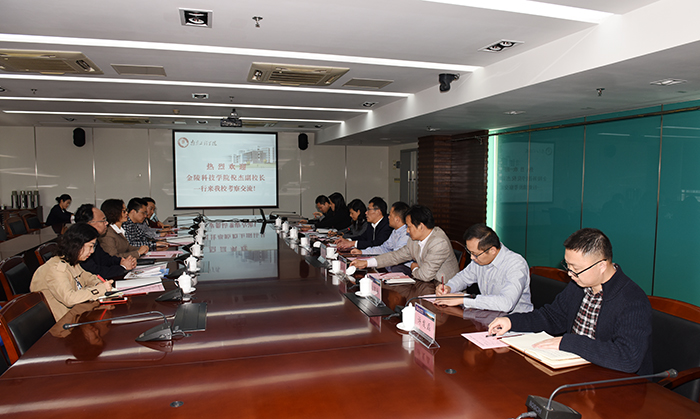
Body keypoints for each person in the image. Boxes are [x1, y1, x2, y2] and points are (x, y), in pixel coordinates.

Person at [487, 228, 653, 375]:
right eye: (568, 266)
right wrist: (512, 321)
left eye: (576, 269)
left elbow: (628, 358)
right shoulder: (579, 285)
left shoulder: (632, 300)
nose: (570, 274)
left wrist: (569, 342)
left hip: (615, 380)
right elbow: (552, 317)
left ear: (601, 266)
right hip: (577, 369)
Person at [436, 224, 533, 313]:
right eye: (470, 252)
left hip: (516, 321)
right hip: (489, 315)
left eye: (475, 254)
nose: (472, 258)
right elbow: (463, 278)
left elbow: (506, 304)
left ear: (492, 250)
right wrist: (449, 287)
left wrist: (464, 299)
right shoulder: (479, 260)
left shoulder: (516, 264)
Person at [350, 205, 459, 283]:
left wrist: (414, 268)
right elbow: (396, 256)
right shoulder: (414, 239)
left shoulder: (438, 242)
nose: (407, 231)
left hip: (443, 288)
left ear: (421, 226)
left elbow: (425, 275)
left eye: (409, 227)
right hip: (424, 283)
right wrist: (367, 263)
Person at [30, 223, 114, 320]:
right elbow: (70, 299)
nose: (92, 251)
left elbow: (89, 278)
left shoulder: (70, 261)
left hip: (77, 314)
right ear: (77, 245)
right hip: (62, 323)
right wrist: (100, 289)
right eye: (90, 246)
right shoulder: (56, 269)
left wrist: (98, 284)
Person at [74, 203, 137, 279]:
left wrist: (121, 261)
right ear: (89, 224)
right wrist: (123, 267)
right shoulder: (79, 244)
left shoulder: (95, 240)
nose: (106, 223)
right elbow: (95, 272)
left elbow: (105, 259)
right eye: (103, 220)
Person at [351, 201, 412, 273]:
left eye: (390, 215)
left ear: (397, 219)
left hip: (402, 269)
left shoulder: (406, 234)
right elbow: (384, 248)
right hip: (390, 266)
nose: (388, 217)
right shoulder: (395, 231)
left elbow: (396, 257)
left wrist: (367, 263)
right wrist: (362, 252)